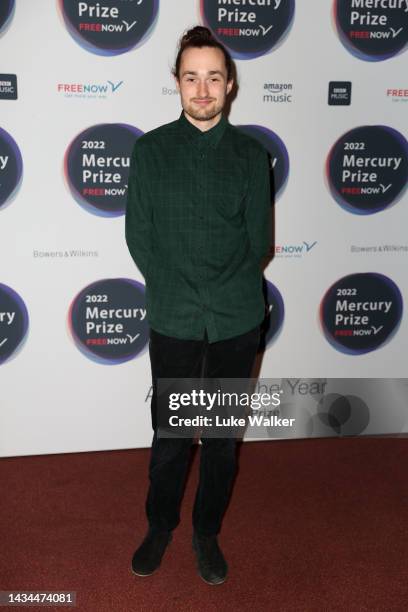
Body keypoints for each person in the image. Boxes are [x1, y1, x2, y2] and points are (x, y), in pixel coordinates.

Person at [125, 25, 272, 585]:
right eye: (192, 77)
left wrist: (220, 292)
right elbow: (140, 238)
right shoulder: (150, 151)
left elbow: (259, 244)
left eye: (214, 77)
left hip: (237, 319)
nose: (203, 89)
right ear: (178, 84)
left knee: (221, 441)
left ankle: (205, 532)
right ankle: (160, 525)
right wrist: (179, 291)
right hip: (175, 318)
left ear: (229, 84)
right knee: (169, 436)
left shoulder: (251, 155)